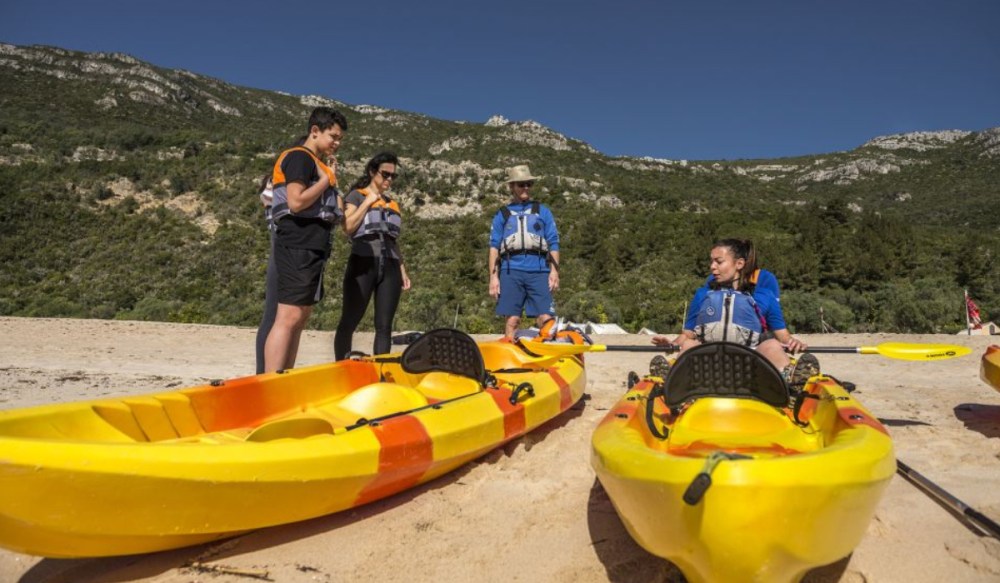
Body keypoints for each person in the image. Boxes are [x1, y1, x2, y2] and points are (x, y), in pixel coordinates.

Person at [650, 238, 819, 386]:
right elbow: (687, 335)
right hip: (708, 356)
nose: (712, 267)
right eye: (712, 261)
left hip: (749, 359)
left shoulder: (764, 296)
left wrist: (794, 342)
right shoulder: (702, 294)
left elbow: (783, 337)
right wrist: (672, 343)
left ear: (739, 264)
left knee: (772, 345)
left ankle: (791, 382)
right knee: (689, 345)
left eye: (719, 261)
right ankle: (671, 380)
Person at [263, 107, 348, 372]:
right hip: (297, 242)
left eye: (340, 139)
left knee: (300, 316)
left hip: (312, 246)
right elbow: (297, 201)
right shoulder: (300, 157)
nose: (337, 143)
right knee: (288, 316)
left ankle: (284, 375)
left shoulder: (318, 164)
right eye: (333, 136)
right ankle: (271, 382)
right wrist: (328, 180)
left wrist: (330, 179)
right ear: (315, 131)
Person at [334, 152, 411, 359]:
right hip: (363, 262)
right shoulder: (356, 196)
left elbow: (393, 240)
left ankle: (381, 373)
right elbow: (348, 227)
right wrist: (368, 201)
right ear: (371, 171)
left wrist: (402, 270)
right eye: (385, 174)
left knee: (384, 326)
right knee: (349, 320)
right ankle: (341, 368)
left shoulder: (392, 203)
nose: (389, 180)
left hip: (391, 266)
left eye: (393, 176)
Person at [488, 165, 561, 339]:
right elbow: (494, 247)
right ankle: (511, 361)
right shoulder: (502, 215)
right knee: (512, 320)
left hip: (539, 271)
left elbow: (553, 242)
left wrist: (554, 271)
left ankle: (546, 359)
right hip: (510, 271)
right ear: (512, 187)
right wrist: (493, 277)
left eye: (528, 184)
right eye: (521, 184)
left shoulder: (543, 212)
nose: (525, 188)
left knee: (546, 319)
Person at [254, 175, 278, 374]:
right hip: (280, 253)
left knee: (278, 318)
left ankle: (269, 370)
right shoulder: (273, 184)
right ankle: (262, 372)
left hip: (286, 253)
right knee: (271, 317)